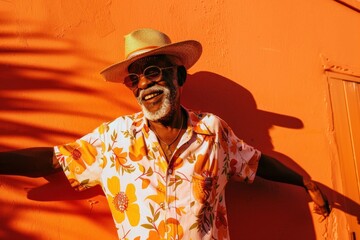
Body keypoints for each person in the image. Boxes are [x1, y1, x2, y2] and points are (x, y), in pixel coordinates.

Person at [0, 28, 331, 240]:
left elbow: (257, 163)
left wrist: (305, 183)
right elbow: (56, 159)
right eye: (135, 79)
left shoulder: (213, 131)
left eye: (154, 71)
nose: (144, 84)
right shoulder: (114, 138)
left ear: (180, 76)